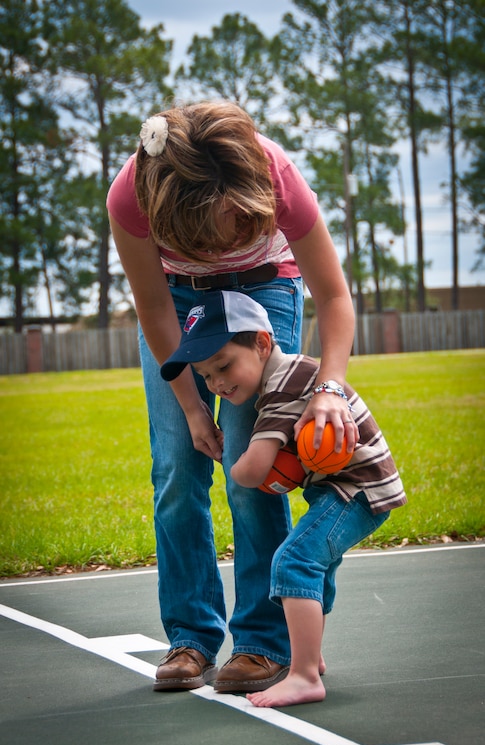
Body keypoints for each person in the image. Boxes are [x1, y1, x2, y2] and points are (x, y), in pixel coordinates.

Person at [107, 101, 359, 693]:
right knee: (176, 467)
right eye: (215, 234)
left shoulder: (277, 175)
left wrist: (327, 389)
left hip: (265, 289)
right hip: (177, 300)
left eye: (239, 224)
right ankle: (191, 637)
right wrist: (194, 410)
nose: (225, 246)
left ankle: (263, 642)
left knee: (254, 463)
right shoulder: (132, 195)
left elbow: (335, 297)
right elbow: (152, 309)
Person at [161, 290, 407, 707]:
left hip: (355, 491)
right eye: (206, 377)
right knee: (316, 567)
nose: (217, 384)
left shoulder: (283, 386)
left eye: (223, 366)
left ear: (261, 343)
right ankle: (311, 656)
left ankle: (304, 675)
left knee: (294, 561)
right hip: (351, 488)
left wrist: (228, 457)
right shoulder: (285, 376)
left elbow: (253, 470)